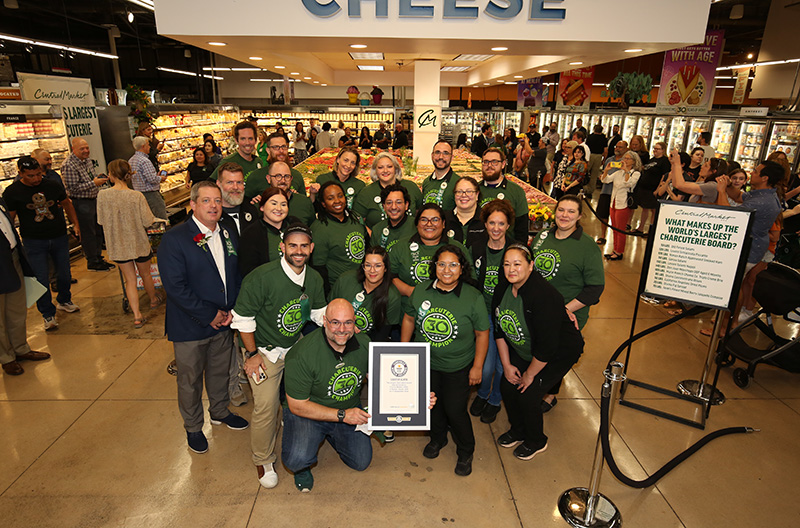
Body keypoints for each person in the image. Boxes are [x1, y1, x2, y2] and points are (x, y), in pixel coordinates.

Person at [231, 223, 327, 490]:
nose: (298, 251)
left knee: (304, 395)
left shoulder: (314, 278)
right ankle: (263, 458)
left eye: (304, 246)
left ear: (311, 248)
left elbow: (318, 313)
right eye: (292, 245)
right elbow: (243, 319)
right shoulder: (261, 277)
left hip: (294, 345)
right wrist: (251, 354)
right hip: (262, 348)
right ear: (282, 247)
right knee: (265, 406)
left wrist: (337, 324)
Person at [157, 181, 248, 455]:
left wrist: (234, 308)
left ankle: (220, 411)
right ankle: (194, 427)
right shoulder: (175, 239)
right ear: (193, 204)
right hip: (191, 325)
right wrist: (209, 314)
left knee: (220, 372)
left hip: (223, 322)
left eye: (217, 201)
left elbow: (236, 272)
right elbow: (175, 287)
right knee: (190, 379)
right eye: (206, 201)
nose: (214, 206)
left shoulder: (228, 232)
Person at [401, 245, 489, 476]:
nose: (446, 270)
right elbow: (409, 318)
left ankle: (466, 449)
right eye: (441, 264)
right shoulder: (421, 291)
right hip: (426, 364)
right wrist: (404, 349)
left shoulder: (473, 296)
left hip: (458, 367)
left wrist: (477, 366)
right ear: (434, 267)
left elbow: (482, 333)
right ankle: (438, 439)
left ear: (462, 269)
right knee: (431, 407)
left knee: (455, 409)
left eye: (453, 265)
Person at [492, 244, 584, 461]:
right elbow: (499, 329)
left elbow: (547, 346)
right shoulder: (502, 288)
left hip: (557, 352)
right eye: (506, 264)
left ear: (531, 265)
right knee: (507, 385)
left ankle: (536, 440)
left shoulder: (543, 295)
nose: (511, 269)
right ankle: (518, 430)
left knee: (528, 394)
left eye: (517, 264)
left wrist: (530, 374)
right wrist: (506, 365)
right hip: (526, 347)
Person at [281, 300, 377, 492]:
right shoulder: (301, 354)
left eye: (348, 322)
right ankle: (303, 467)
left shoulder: (365, 344)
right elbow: (297, 405)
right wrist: (343, 415)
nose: (341, 329)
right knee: (296, 459)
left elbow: (383, 380)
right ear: (324, 321)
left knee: (361, 461)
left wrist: (414, 399)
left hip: (348, 409)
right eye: (335, 322)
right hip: (309, 411)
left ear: (355, 322)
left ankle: (332, 434)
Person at [530, 195, 604, 411]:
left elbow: (594, 288)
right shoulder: (543, 236)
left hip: (568, 312)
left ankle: (550, 394)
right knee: (541, 350)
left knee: (557, 354)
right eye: (561, 210)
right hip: (539, 308)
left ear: (580, 215)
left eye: (571, 212)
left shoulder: (587, 246)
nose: (564, 215)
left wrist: (562, 310)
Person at [3, 156, 80, 331]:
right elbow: (10, 218)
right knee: (41, 278)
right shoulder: (12, 192)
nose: (36, 179)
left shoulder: (51, 185)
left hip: (59, 236)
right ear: (21, 173)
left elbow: (67, 203)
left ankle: (64, 300)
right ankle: (47, 313)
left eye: (38, 174)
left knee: (64, 273)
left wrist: (75, 224)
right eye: (31, 175)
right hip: (34, 241)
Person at [715, 161, 783, 326]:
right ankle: (728, 323)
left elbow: (730, 216)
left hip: (749, 248)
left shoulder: (763, 200)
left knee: (733, 287)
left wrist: (721, 190)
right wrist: (728, 185)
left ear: (765, 178)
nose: (752, 173)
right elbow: (739, 196)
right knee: (735, 285)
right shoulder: (762, 194)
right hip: (751, 246)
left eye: (756, 171)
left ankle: (727, 325)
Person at [97, 159, 162, 328]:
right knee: (146, 274)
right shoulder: (136, 196)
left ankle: (137, 315)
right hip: (138, 242)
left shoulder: (103, 195)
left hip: (118, 245)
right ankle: (154, 299)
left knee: (129, 280)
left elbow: (101, 220)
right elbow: (148, 220)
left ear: (110, 175)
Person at [468, 199, 515, 424]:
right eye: (491, 223)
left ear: (508, 226)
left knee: (500, 364)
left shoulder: (517, 249)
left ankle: (495, 399)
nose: (496, 228)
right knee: (486, 367)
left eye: (501, 224)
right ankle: (482, 392)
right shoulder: (476, 247)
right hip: (483, 313)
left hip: (506, 315)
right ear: (485, 224)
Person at [0, 196, 51, 376]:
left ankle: (21, 348)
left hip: (13, 259)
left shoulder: (1, 202)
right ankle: (7, 358)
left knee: (17, 310)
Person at [389, 204, 472, 297]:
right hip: (408, 303)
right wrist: (410, 291)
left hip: (449, 304)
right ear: (417, 224)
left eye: (435, 220)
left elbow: (469, 280)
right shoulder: (400, 247)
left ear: (443, 224)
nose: (429, 224)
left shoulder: (457, 248)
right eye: (424, 220)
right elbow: (390, 276)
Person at [61, 137, 114, 271]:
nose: (86, 151)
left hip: (93, 199)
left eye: (87, 148)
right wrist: (93, 183)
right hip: (81, 203)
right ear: (74, 149)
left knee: (97, 230)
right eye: (82, 149)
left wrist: (98, 179)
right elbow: (72, 188)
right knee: (88, 232)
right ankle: (92, 261)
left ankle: (98, 257)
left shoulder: (87, 161)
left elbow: (90, 177)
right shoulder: (69, 165)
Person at [330, 246, 402, 341]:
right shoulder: (345, 280)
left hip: (366, 342)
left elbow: (381, 335)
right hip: (335, 334)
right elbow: (329, 313)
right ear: (363, 266)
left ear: (385, 268)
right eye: (368, 265)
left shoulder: (392, 296)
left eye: (378, 266)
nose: (372, 270)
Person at [311, 181, 369, 294]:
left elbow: (367, 246)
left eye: (340, 196)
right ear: (323, 203)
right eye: (330, 198)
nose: (337, 201)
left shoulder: (355, 218)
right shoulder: (320, 228)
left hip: (363, 284)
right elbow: (319, 268)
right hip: (338, 288)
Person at [353, 151, 422, 230]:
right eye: (380, 167)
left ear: (396, 168)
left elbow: (420, 213)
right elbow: (358, 221)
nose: (385, 170)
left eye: (389, 166)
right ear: (375, 170)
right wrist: (373, 236)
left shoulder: (411, 187)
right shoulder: (366, 193)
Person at [238, 187, 297, 277]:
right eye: (273, 203)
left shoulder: (295, 225)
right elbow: (249, 272)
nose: (279, 208)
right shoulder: (251, 234)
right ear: (262, 207)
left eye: (283, 204)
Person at [478, 148, 529, 243]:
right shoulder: (474, 190)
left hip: (508, 249)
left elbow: (522, 228)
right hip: (479, 247)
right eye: (486, 162)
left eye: (494, 162)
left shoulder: (516, 191)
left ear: (503, 164)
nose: (489, 166)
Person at [599, 150, 641, 260]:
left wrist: (626, 171)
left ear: (633, 161)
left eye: (627, 159)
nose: (625, 160)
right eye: (624, 158)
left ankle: (619, 251)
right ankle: (615, 249)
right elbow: (605, 180)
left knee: (620, 229)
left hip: (624, 204)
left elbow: (629, 183)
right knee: (614, 228)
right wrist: (606, 170)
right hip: (613, 202)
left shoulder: (635, 173)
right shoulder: (618, 172)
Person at [243, 132, 306, 199]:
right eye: (276, 147)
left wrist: (297, 197)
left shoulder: (296, 175)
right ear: (268, 151)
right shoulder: (255, 177)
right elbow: (246, 204)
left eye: (284, 147)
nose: (281, 150)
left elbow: (303, 202)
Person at [631, 141, 670, 237]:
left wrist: (658, 189)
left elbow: (664, 176)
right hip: (645, 187)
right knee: (644, 208)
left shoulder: (664, 161)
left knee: (653, 209)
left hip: (653, 188)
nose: (655, 151)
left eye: (658, 149)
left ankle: (650, 230)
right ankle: (641, 228)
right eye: (654, 148)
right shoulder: (652, 159)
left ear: (663, 150)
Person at [260, 161, 316, 227]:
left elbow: (313, 229)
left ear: (291, 179)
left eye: (287, 176)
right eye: (278, 176)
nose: (283, 180)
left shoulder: (304, 202)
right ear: (269, 179)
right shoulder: (262, 203)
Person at [215, 163, 260, 244]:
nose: (235, 187)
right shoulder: (211, 215)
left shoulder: (253, 209)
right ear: (218, 184)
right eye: (229, 182)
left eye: (239, 182)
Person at [596, 141, 628, 245]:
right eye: (616, 146)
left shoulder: (626, 162)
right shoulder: (609, 159)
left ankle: (617, 241)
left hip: (618, 194)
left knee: (617, 218)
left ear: (626, 149)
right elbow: (604, 173)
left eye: (620, 147)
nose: (617, 148)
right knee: (603, 214)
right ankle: (602, 235)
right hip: (606, 190)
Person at [129, 136, 168, 220]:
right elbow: (152, 179)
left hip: (138, 193)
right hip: (151, 194)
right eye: (148, 145)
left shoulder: (131, 160)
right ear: (143, 146)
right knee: (160, 219)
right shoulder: (144, 161)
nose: (149, 147)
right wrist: (161, 178)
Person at [370, 183, 416, 251]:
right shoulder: (377, 229)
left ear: (406, 205)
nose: (393, 207)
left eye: (398, 202)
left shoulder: (417, 226)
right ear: (383, 207)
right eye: (389, 203)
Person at [445, 176, 485, 246]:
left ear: (477, 195)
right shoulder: (444, 219)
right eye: (459, 192)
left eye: (469, 191)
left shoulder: (486, 219)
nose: (463, 195)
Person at [421, 140, 460, 210]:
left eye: (446, 153)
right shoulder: (426, 182)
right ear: (432, 156)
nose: (441, 157)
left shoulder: (458, 183)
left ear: (452, 157)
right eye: (437, 152)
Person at [585, 124, 607, 194]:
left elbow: (586, 148)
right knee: (594, 175)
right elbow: (606, 150)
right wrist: (604, 160)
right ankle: (591, 191)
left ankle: (584, 188)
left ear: (594, 129)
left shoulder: (590, 137)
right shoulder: (604, 138)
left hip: (590, 155)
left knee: (585, 172)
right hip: (598, 156)